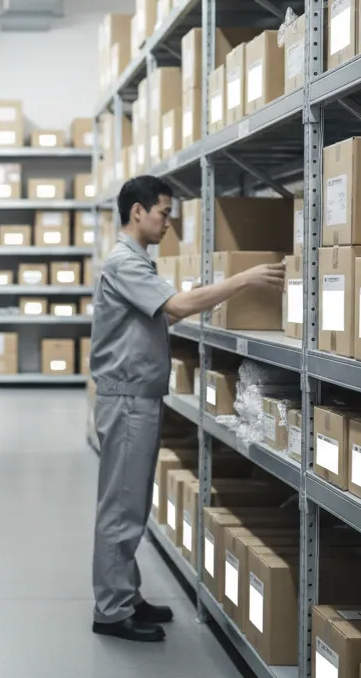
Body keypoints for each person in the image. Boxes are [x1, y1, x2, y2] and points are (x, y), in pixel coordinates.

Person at [89, 175, 284, 642]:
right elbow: (178, 304)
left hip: (138, 396)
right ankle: (111, 610)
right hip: (128, 399)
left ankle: (125, 593)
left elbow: (170, 312)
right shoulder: (124, 264)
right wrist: (241, 280)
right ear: (137, 211)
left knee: (130, 501)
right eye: (163, 213)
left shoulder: (138, 262)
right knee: (122, 504)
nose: (167, 224)